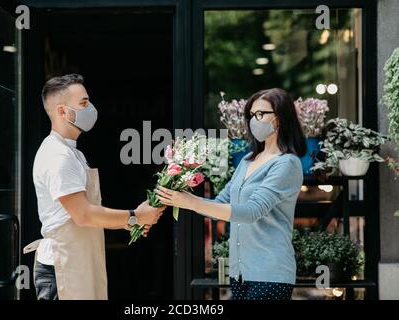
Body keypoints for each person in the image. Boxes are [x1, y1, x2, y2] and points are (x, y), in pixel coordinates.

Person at [24, 74, 165, 300]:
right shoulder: (57, 155)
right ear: (62, 111)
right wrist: (134, 217)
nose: (90, 108)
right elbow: (83, 214)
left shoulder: (73, 152)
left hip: (78, 261)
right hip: (62, 268)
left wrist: (128, 223)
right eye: (83, 103)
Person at [156, 88, 306, 300]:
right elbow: (220, 206)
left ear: (279, 119)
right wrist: (181, 189)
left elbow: (252, 212)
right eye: (251, 115)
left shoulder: (287, 164)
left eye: (261, 114)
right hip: (240, 274)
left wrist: (192, 202)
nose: (254, 120)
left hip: (270, 273)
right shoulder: (247, 161)